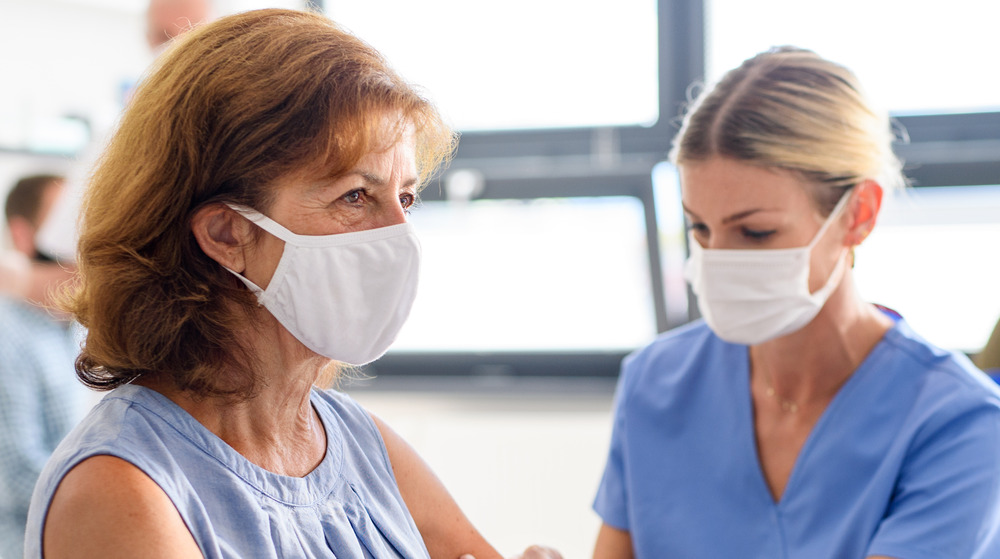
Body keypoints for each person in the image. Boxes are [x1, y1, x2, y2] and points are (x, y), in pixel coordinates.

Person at [25, 9, 557, 558]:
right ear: (227, 233)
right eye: (355, 196)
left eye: (406, 199)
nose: (400, 237)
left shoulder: (358, 442)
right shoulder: (121, 487)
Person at [592, 47, 1000, 558]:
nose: (718, 260)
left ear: (859, 214)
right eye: (700, 227)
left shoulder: (959, 424)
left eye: (756, 232)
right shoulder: (655, 383)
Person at [0, 175, 88, 559]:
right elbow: (17, 475)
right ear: (24, 236)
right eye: (62, 227)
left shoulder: (73, 329)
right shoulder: (8, 337)